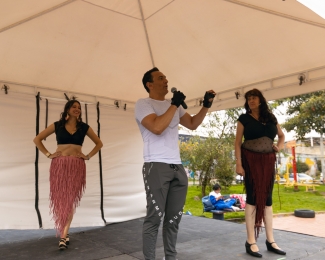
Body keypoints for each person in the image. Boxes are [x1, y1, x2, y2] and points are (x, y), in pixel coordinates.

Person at [135, 67, 216, 260]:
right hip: (156, 165)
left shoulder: (175, 106)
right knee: (155, 217)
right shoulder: (143, 104)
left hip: (177, 166)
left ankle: (170, 257)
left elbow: (193, 124)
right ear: (150, 84)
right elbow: (156, 127)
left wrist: (205, 105)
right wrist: (174, 104)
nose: (166, 80)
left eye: (166, 77)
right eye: (161, 78)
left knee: (173, 218)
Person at [33, 99, 103, 250]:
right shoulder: (57, 125)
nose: (77, 109)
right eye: (74, 107)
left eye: (79, 107)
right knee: (60, 199)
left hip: (76, 166)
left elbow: (99, 143)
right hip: (59, 165)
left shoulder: (84, 127)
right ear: (67, 109)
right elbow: (37, 139)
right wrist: (48, 154)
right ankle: (64, 231)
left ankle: (63, 236)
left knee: (70, 200)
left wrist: (88, 156)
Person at [234, 88, 286, 258]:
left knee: (268, 200)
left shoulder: (271, 118)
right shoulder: (244, 119)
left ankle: (270, 240)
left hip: (268, 162)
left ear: (261, 100)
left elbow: (281, 136)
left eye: (254, 97)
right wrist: (239, 164)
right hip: (250, 161)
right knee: (253, 198)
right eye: (249, 98)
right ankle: (251, 241)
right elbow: (237, 143)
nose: (251, 100)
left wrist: (279, 147)